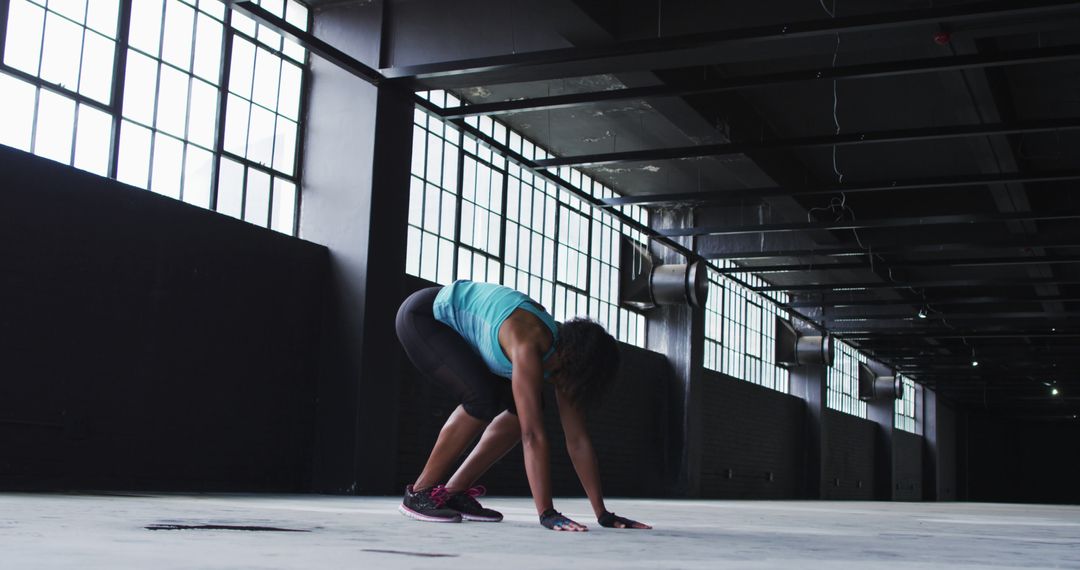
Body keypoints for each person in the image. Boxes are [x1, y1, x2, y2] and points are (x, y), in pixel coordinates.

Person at [395, 279, 651, 531]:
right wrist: (547, 513)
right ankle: (419, 493)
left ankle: (454, 491)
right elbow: (533, 436)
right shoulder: (528, 344)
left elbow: (578, 440)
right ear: (580, 366)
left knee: (526, 408)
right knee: (482, 398)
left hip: (464, 334)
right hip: (425, 317)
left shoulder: (562, 362)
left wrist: (603, 513)